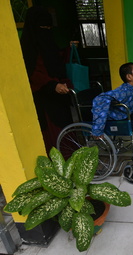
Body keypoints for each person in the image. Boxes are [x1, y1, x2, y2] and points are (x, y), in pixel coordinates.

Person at [20, 6, 74, 153]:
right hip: (43, 97)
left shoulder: (49, 43)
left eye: (48, 27)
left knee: (65, 127)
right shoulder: (28, 49)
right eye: (43, 27)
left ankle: (71, 159)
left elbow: (55, 61)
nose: (46, 30)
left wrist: (69, 49)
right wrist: (51, 84)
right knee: (51, 131)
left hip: (59, 95)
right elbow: (32, 72)